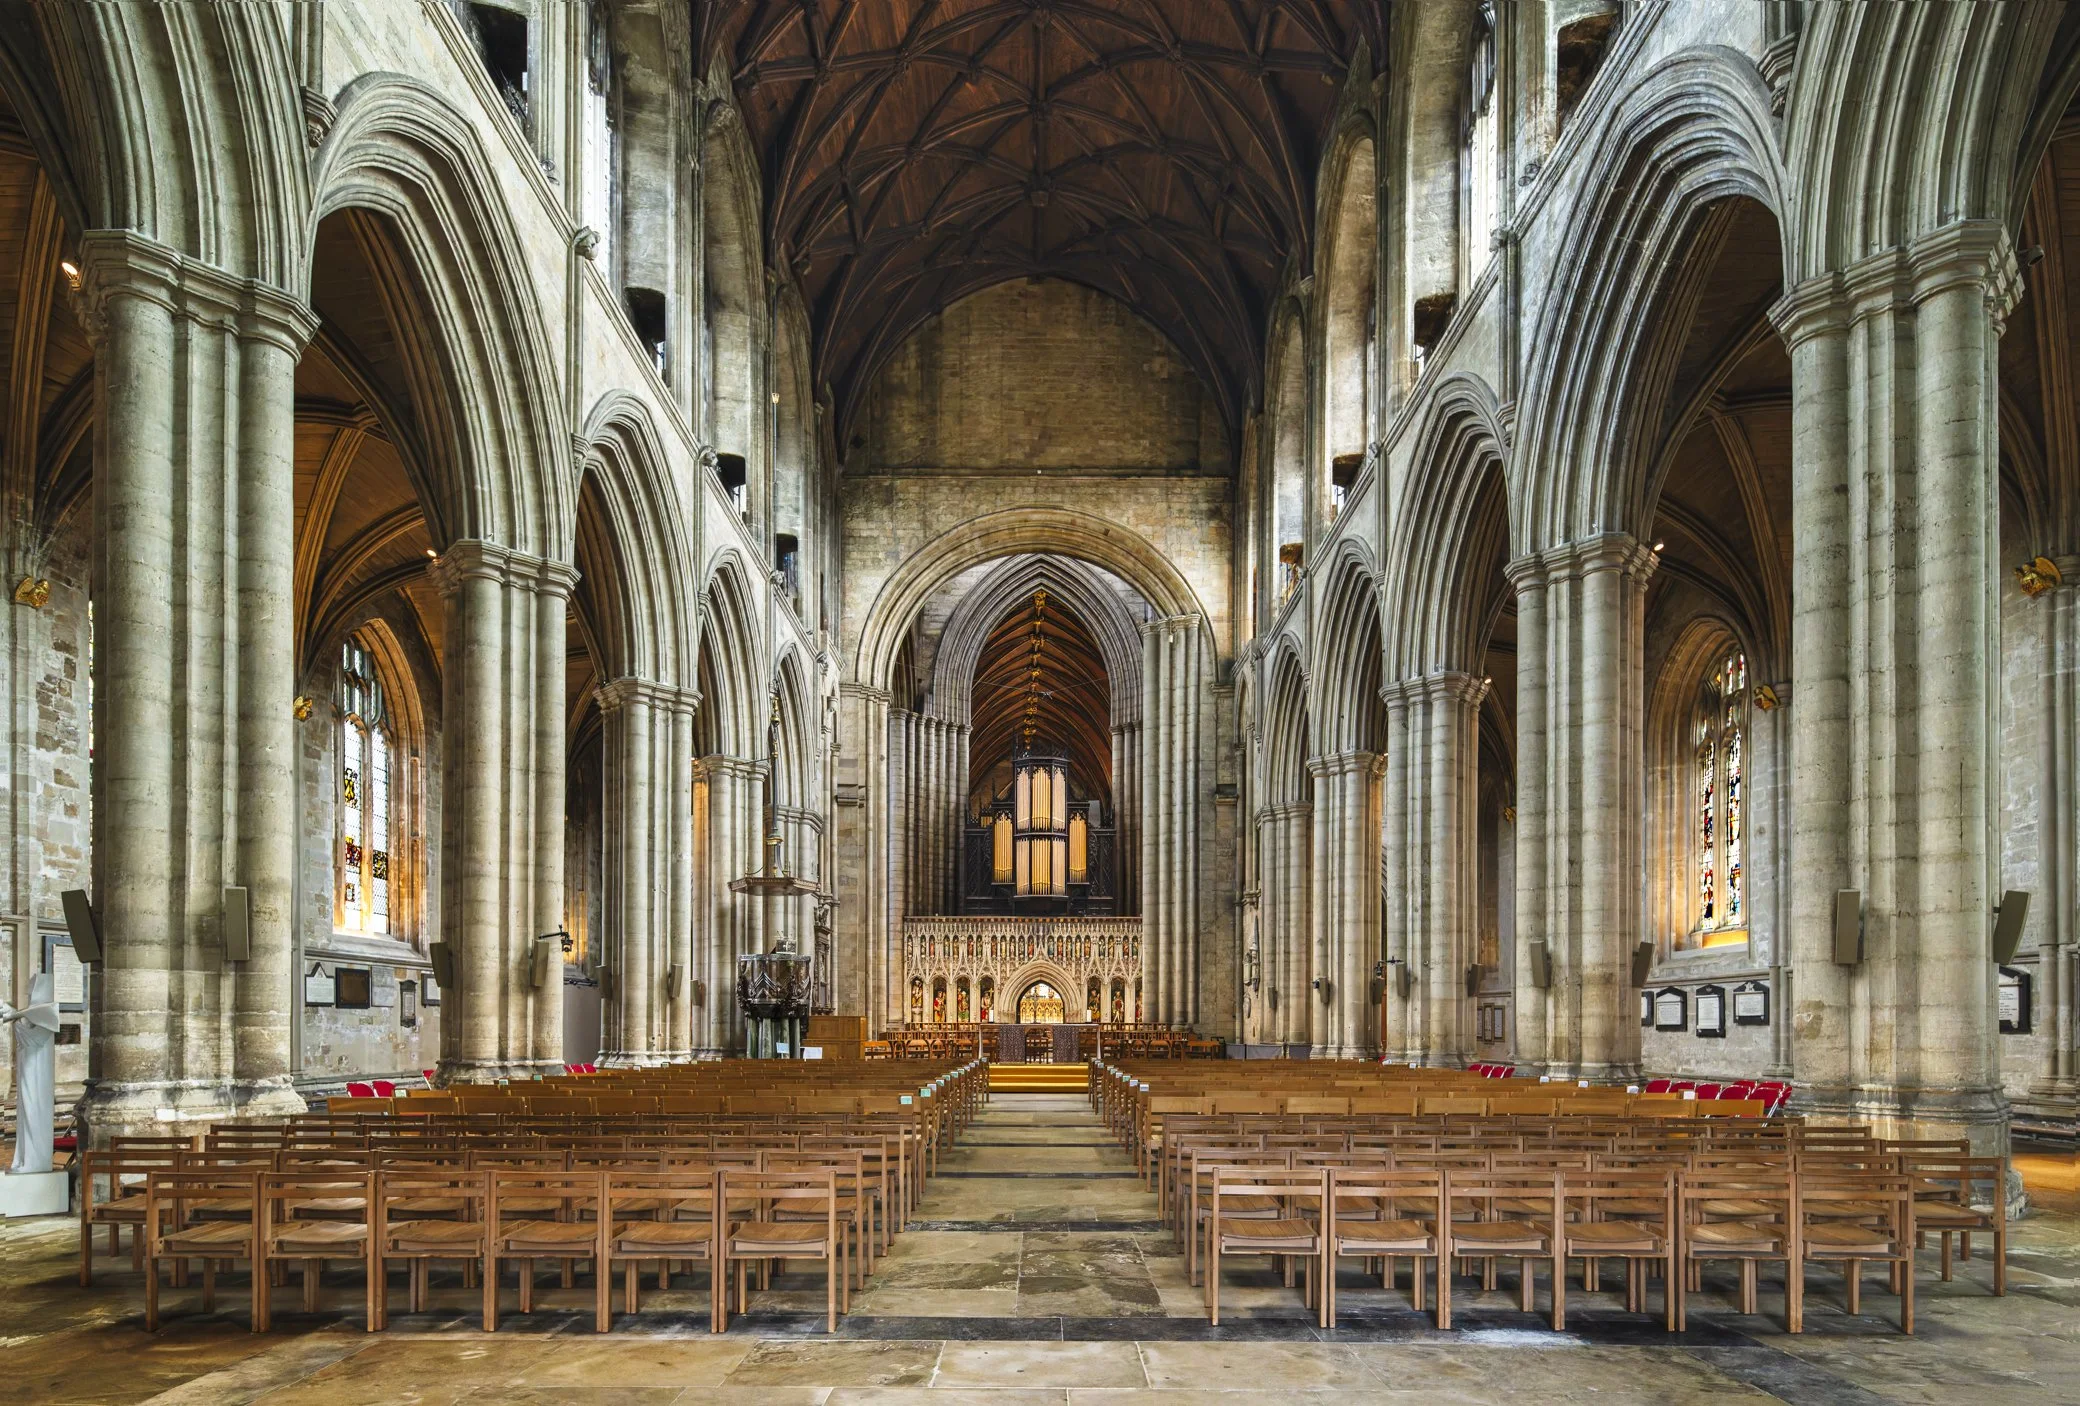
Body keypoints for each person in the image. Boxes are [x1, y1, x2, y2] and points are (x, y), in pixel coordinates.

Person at [2, 972, 60, 1174]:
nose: (29, 994)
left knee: (34, 1110)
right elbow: (27, 1022)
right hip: (28, 1070)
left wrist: (14, 1014)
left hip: (38, 1076)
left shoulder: (50, 1011)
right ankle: (25, 1158)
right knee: (26, 1110)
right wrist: (14, 1014)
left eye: (32, 991)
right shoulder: (35, 1014)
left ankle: (35, 1161)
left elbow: (41, 1017)